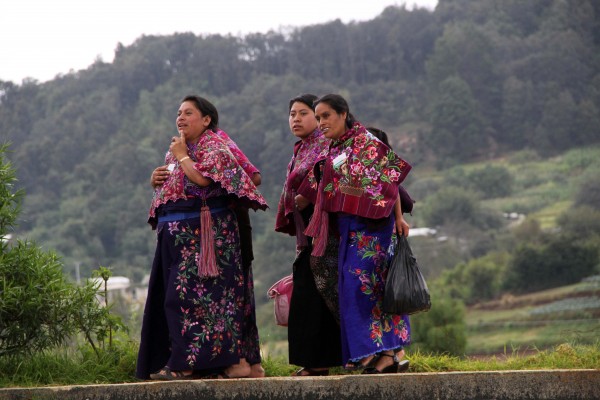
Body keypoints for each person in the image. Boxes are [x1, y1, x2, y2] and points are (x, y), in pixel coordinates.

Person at [136, 95, 268, 380]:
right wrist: (157, 178)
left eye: (188, 113)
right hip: (176, 237)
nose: (180, 118)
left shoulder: (215, 146)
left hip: (204, 237)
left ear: (206, 120)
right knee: (179, 298)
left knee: (193, 299)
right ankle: (205, 365)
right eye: (178, 113)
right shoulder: (176, 150)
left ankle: (189, 365)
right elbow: (178, 179)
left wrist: (183, 156)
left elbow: (204, 180)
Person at [297, 94, 412, 374]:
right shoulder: (336, 148)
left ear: (343, 113)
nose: (321, 122)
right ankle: (383, 355)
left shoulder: (365, 143)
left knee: (362, 288)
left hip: (373, 228)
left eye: (326, 116)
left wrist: (397, 217)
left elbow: (389, 182)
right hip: (348, 228)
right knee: (361, 290)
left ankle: (381, 354)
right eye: (319, 117)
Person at [274, 94, 342, 376]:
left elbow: (334, 177)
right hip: (310, 235)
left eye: (303, 113)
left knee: (322, 296)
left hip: (329, 233)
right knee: (308, 296)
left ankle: (321, 363)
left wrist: (308, 195)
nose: (296, 119)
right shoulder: (301, 149)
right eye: (292, 114)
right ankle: (317, 362)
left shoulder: (327, 146)